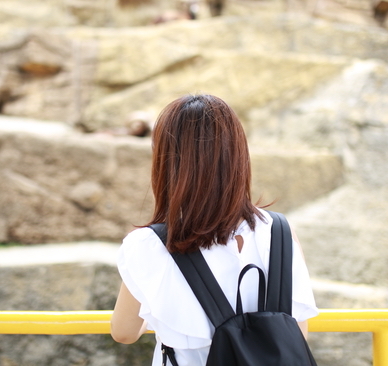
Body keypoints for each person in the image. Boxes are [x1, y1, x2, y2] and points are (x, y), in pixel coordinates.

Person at [110, 94, 318, 366]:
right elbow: (296, 334)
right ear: (237, 155)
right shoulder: (279, 231)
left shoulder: (149, 244)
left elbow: (124, 332)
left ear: (166, 162)